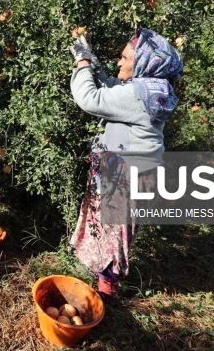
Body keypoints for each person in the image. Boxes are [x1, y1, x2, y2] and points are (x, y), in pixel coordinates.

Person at [68, 28, 183, 301]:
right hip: (136, 171)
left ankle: (107, 295)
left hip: (126, 175)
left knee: (113, 235)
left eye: (124, 58)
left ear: (142, 63)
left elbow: (90, 99)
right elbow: (115, 88)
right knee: (112, 230)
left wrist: (82, 63)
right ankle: (104, 281)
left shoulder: (137, 96)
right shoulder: (151, 88)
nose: (119, 62)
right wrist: (93, 62)